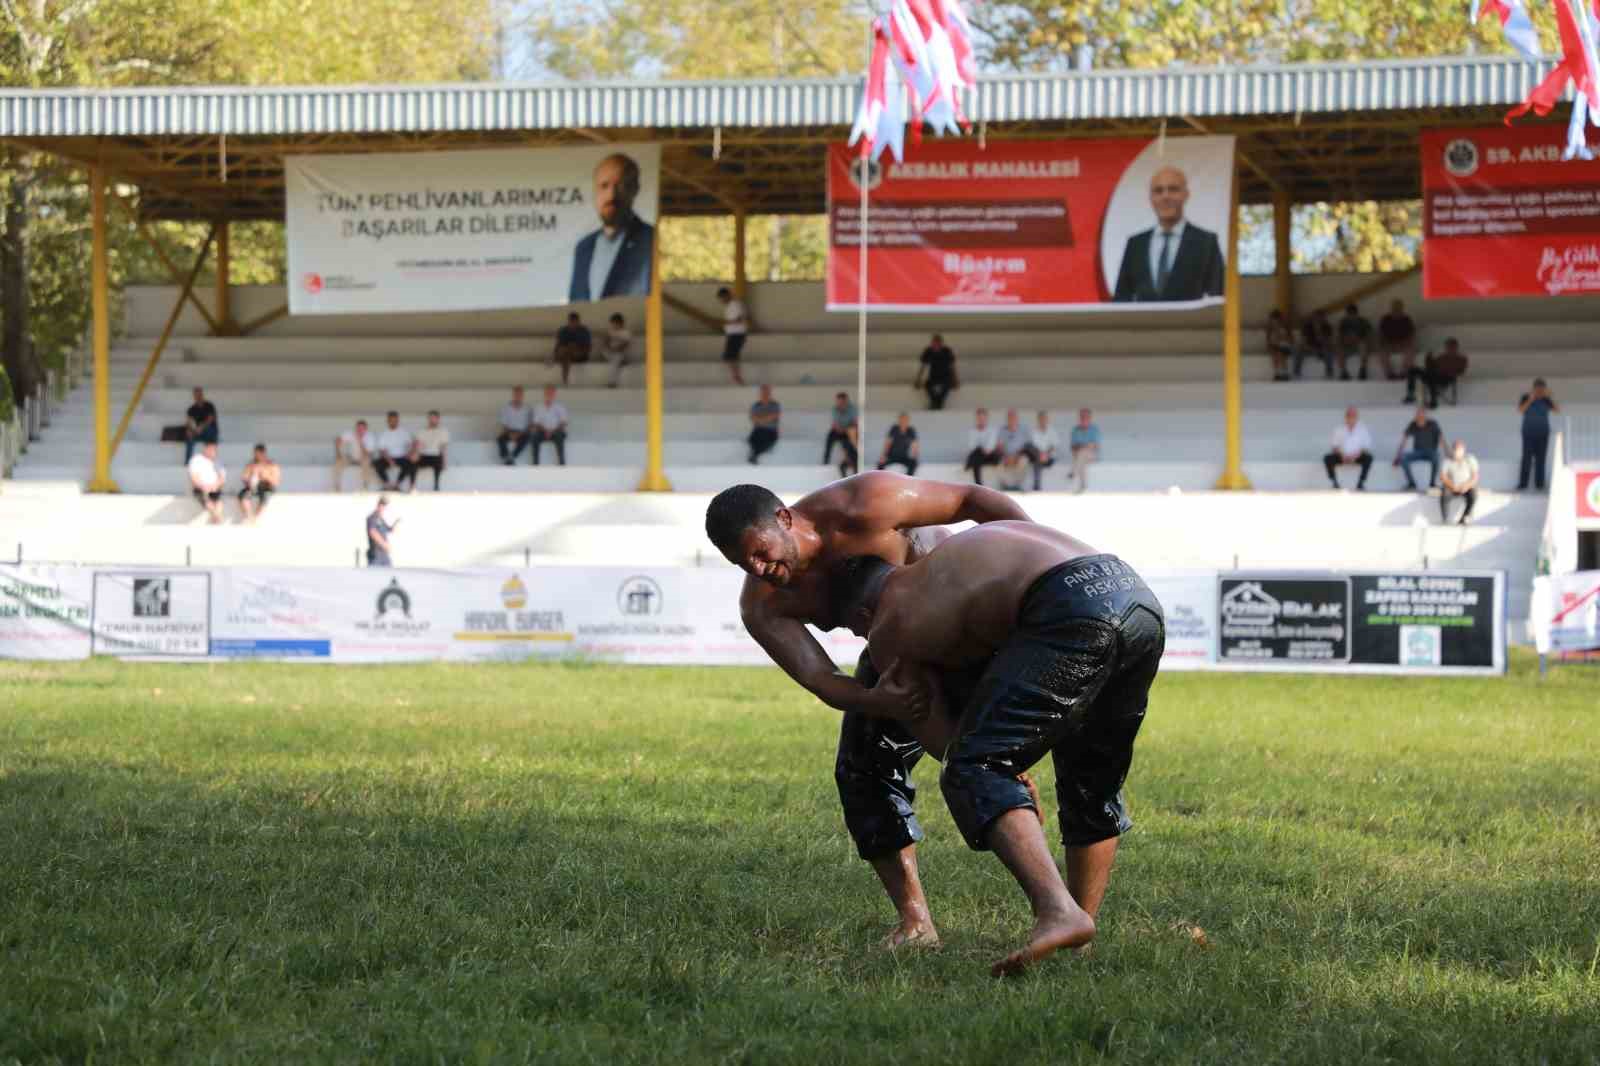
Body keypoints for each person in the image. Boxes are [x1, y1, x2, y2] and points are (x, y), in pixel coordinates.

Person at [702, 474, 1031, 950]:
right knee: (862, 767)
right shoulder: (763, 605)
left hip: (976, 622)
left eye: (759, 551)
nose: (757, 568)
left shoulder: (864, 503)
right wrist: (880, 700)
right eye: (742, 563)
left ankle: (1076, 914)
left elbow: (972, 499)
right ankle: (916, 923)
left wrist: (1037, 558)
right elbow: (821, 679)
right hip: (899, 658)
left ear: (784, 518)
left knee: (1064, 747)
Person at [830, 521, 1164, 974]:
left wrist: (992, 766)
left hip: (1061, 609)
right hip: (1130, 592)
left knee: (974, 767)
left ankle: (1059, 914)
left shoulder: (890, 610)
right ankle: (1077, 933)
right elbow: (984, 504)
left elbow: (936, 733)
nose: (857, 638)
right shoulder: (937, 535)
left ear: (865, 611)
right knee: (1091, 771)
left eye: (852, 628)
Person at [1111, 166, 1225, 302]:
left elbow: (1219, 297)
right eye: (1158, 191)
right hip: (1144, 323)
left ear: (1186, 194)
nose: (1165, 196)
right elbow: (1121, 299)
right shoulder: (1135, 244)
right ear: (1151, 198)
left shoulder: (1206, 242)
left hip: (1191, 323)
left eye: (1173, 189)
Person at [567, 152, 654, 301]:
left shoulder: (651, 240)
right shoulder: (583, 247)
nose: (611, 195)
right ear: (594, 191)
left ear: (635, 189)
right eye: (604, 186)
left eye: (620, 185)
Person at [1517, 378, 1560, 491]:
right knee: (1527, 458)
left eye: (1542, 389)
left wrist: (1550, 397)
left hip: (1543, 433)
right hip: (1528, 433)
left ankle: (1539, 484)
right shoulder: (1526, 397)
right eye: (1537, 388)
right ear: (1533, 388)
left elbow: (1557, 410)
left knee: (1541, 459)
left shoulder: (1547, 400)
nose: (1539, 391)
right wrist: (1531, 399)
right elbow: (1521, 410)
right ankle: (1522, 484)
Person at [1392, 406, 1444, 492]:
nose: (1419, 416)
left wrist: (1448, 454)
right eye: (1417, 415)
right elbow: (1403, 441)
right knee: (1403, 458)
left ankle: (1432, 484)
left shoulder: (1433, 424)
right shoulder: (1413, 424)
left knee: (1436, 457)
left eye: (1421, 414)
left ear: (1425, 415)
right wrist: (1397, 457)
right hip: (1418, 452)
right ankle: (1411, 483)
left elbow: (1441, 439)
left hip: (1431, 451)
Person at [1407, 338, 1468, 408]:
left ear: (1456, 348)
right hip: (1433, 375)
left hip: (1446, 378)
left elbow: (1461, 371)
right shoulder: (1441, 357)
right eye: (1448, 347)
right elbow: (1430, 366)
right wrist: (1429, 357)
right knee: (1413, 370)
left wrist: (1449, 372)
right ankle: (1410, 394)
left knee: (1432, 374)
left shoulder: (1461, 359)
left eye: (1452, 347)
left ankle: (1433, 401)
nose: (1450, 349)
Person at [1324, 406, 1374, 490]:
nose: (1351, 417)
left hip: (1357, 456)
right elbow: (1334, 446)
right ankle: (1334, 482)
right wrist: (1343, 455)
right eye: (1349, 415)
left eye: (1353, 415)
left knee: (1369, 458)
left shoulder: (1363, 429)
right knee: (1327, 458)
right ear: (1345, 417)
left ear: (1357, 417)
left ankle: (1361, 482)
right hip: (1342, 456)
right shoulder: (1339, 429)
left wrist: (1355, 456)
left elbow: (1366, 447)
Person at [1373, 299, 1418, 381]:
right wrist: (1384, 343)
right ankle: (1389, 374)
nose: (1397, 310)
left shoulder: (1407, 319)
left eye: (1399, 308)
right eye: (1395, 308)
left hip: (1402, 345)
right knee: (1381, 353)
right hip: (1388, 344)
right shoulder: (1385, 319)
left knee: (1411, 351)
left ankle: (1404, 373)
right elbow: (1380, 335)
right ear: (1391, 309)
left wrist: (1405, 343)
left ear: (1402, 309)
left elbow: (1412, 335)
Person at [373, 410, 417, 492]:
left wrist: (409, 453)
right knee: (377, 463)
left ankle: (398, 484)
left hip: (401, 457)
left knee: (412, 464)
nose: (393, 422)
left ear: (398, 421)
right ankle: (387, 485)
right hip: (388, 457)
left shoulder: (404, 432)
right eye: (391, 420)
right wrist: (389, 460)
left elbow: (411, 445)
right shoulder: (384, 434)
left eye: (395, 420)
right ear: (388, 421)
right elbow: (382, 450)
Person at [236, 443, 280, 523]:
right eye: (255, 454)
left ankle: (255, 518)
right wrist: (249, 478)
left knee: (264, 497)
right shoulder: (252, 464)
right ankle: (249, 516)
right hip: (253, 487)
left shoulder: (271, 464)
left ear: (263, 453)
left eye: (259, 454)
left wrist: (264, 476)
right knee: (242, 495)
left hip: (267, 487)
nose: (257, 456)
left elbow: (275, 481)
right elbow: (244, 476)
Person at [1439, 439, 1479, 525]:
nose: (1457, 452)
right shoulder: (1447, 461)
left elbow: (1475, 477)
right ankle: (1445, 519)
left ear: (1463, 450)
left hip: (1466, 487)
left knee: (1474, 495)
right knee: (1444, 494)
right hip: (1452, 486)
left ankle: (1464, 518)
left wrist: (1466, 486)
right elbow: (1442, 477)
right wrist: (1453, 486)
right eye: (1455, 450)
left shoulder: (1470, 459)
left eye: (1459, 450)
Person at [914, 334, 959, 410]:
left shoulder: (947, 351)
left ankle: (939, 403)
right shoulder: (928, 351)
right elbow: (923, 366)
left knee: (947, 386)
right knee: (927, 385)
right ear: (931, 344)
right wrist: (918, 379)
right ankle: (934, 402)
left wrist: (956, 380)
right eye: (934, 344)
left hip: (946, 376)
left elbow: (952, 366)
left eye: (938, 344)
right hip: (933, 376)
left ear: (941, 344)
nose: (936, 346)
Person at [332, 418, 376, 492]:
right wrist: (338, 453)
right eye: (358, 428)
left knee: (367, 463)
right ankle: (336, 487)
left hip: (363, 457)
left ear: (366, 429)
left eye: (362, 429)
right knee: (338, 464)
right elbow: (338, 440)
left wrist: (360, 441)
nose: (359, 430)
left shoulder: (370, 437)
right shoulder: (350, 433)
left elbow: (368, 453)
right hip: (351, 457)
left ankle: (365, 487)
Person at [187, 439, 225, 524]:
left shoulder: (218, 462)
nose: (213, 451)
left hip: (215, 488)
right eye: (211, 449)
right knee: (208, 501)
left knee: (219, 502)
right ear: (205, 448)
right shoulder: (196, 460)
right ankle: (218, 520)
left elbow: (222, 478)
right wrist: (203, 486)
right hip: (200, 488)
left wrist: (215, 485)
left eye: (214, 449)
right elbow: (193, 477)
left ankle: (218, 521)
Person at [823, 392, 860, 478]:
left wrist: (848, 430)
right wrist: (842, 429)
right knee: (830, 438)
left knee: (848, 444)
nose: (839, 403)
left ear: (845, 400)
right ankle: (825, 460)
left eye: (841, 401)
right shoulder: (835, 409)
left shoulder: (852, 409)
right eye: (838, 401)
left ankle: (850, 460)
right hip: (839, 431)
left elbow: (854, 423)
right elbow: (835, 425)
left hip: (849, 431)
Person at [550, 312, 592, 386]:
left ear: (578, 321)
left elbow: (588, 347)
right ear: (568, 321)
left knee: (569, 349)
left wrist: (575, 347)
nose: (573, 323)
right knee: (565, 353)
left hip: (580, 354)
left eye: (575, 321)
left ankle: (564, 379)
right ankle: (565, 379)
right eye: (571, 321)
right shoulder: (563, 331)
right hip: (566, 354)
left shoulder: (584, 331)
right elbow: (558, 345)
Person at [531, 385, 569, 466]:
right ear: (544, 393)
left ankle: (562, 464)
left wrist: (552, 431)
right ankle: (535, 465)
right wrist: (545, 431)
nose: (549, 394)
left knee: (560, 436)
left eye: (551, 392)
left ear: (555, 394)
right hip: (542, 431)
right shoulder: (538, 407)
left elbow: (564, 422)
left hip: (556, 431)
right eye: (547, 392)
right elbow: (536, 423)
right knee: (534, 436)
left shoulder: (560, 406)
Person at [963, 408, 1001, 486]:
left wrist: (982, 449)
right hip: (979, 456)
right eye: (979, 418)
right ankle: (978, 484)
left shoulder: (992, 430)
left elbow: (990, 447)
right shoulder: (972, 431)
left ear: (986, 418)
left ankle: (969, 464)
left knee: (976, 456)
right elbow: (972, 447)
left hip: (990, 457)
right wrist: (981, 449)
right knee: (977, 455)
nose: (981, 420)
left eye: (983, 418)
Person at [718, 286, 748, 386]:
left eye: (722, 298)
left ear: (726, 296)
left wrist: (726, 322)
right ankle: (736, 376)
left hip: (737, 334)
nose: (721, 301)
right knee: (730, 356)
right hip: (733, 334)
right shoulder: (730, 306)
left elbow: (739, 319)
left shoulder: (735, 305)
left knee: (731, 356)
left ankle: (737, 378)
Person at [1023, 410, 1059, 491]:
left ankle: (1037, 487)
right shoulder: (1034, 431)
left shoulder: (1052, 431)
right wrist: (1040, 454)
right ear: (1038, 420)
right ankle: (1036, 487)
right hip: (1037, 455)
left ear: (1047, 420)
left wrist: (1045, 454)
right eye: (1041, 419)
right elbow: (1033, 445)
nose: (1042, 420)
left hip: (1049, 458)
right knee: (1030, 450)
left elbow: (1054, 446)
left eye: (1044, 418)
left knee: (1037, 459)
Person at [498, 386, 534, 466]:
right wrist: (510, 434)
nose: (518, 396)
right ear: (513, 395)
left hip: (522, 432)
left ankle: (512, 456)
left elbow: (530, 425)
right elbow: (504, 424)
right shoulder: (506, 408)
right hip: (509, 431)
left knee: (527, 438)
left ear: (522, 396)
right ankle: (506, 456)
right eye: (516, 394)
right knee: (500, 439)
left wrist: (520, 434)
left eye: (520, 394)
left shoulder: (527, 408)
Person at [996, 409, 1031, 491]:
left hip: (1019, 456)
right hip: (1006, 456)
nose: (1012, 419)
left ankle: (1017, 485)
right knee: (998, 462)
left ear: (1017, 419)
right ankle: (1006, 485)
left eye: (1013, 417)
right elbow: (999, 445)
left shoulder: (1023, 430)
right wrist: (1006, 457)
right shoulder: (1002, 430)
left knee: (1024, 461)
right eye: (1010, 418)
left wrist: (1017, 456)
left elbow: (1027, 445)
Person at [1336, 304, 1372, 381]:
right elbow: (1339, 337)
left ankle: (1363, 370)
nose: (1351, 316)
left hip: (1359, 345)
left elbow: (1369, 334)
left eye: (1353, 313)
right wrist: (1346, 340)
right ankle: (1344, 372)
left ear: (1356, 313)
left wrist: (1360, 339)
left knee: (1363, 346)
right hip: (1347, 346)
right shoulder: (1343, 322)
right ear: (1347, 314)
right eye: (1350, 314)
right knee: (1339, 350)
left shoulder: (1363, 321)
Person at [414, 410, 449, 490]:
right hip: (424, 455)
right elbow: (418, 445)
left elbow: (443, 447)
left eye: (434, 418)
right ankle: (413, 486)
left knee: (439, 462)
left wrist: (444, 461)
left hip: (436, 455)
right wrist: (416, 454)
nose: (432, 420)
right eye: (430, 418)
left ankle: (436, 486)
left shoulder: (443, 431)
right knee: (412, 463)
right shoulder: (422, 431)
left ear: (438, 419)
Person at [1069, 408, 1101, 493]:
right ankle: (1083, 485)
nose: (1083, 419)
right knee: (1081, 460)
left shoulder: (1094, 429)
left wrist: (1083, 446)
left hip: (1092, 455)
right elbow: (1073, 446)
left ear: (1089, 418)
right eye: (1082, 417)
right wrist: (1082, 446)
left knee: (1082, 453)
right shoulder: (1075, 430)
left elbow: (1095, 446)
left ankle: (1074, 472)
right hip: (1079, 455)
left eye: (1086, 417)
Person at [1296, 309, 1335, 379]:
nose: (1318, 320)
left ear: (1323, 318)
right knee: (1299, 352)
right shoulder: (1307, 327)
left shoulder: (1327, 327)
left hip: (1322, 349)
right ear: (1313, 318)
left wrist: (1322, 338)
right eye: (1317, 318)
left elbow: (1329, 341)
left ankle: (1329, 371)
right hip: (1309, 348)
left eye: (1321, 318)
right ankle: (1296, 372)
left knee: (1329, 353)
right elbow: (1303, 341)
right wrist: (1310, 348)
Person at [183, 387, 219, 463]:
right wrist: (192, 430)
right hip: (197, 432)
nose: (198, 396)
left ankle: (210, 459)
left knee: (209, 430)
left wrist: (201, 428)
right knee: (189, 435)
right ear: (194, 396)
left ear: (202, 395)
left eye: (199, 394)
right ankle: (188, 462)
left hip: (209, 430)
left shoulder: (209, 406)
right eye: (196, 395)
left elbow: (210, 419)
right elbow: (189, 422)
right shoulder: (191, 409)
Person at [747, 384, 780, 464]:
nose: (765, 394)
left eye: (767, 392)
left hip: (771, 431)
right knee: (751, 439)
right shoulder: (756, 405)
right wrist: (765, 419)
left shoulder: (775, 405)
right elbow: (753, 418)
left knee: (765, 438)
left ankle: (754, 455)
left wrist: (761, 419)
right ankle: (755, 455)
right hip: (758, 430)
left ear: (769, 393)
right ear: (760, 393)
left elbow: (774, 416)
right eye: (763, 392)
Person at [603, 312, 632, 389]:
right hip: (610, 352)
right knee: (612, 358)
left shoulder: (626, 332)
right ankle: (618, 361)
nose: (614, 325)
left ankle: (612, 382)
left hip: (621, 353)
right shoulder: (610, 331)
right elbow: (605, 342)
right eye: (612, 323)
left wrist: (616, 349)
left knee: (615, 360)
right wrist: (609, 348)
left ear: (621, 323)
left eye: (615, 323)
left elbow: (626, 345)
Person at [366, 497, 397, 567]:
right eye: (382, 505)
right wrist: (384, 545)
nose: (383, 508)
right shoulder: (373, 517)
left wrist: (396, 523)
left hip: (384, 555)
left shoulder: (381, 519)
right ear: (378, 505)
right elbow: (372, 532)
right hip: (376, 555)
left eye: (385, 505)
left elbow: (389, 529)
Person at [1265, 310, 1293, 382]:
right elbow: (1268, 339)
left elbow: (1291, 339)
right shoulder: (1270, 328)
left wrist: (1283, 338)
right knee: (1275, 355)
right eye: (1273, 320)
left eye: (1275, 319)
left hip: (1285, 346)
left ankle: (1285, 373)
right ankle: (1277, 373)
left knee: (1280, 355)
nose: (1274, 321)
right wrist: (1270, 345)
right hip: (1275, 346)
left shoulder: (1285, 326)